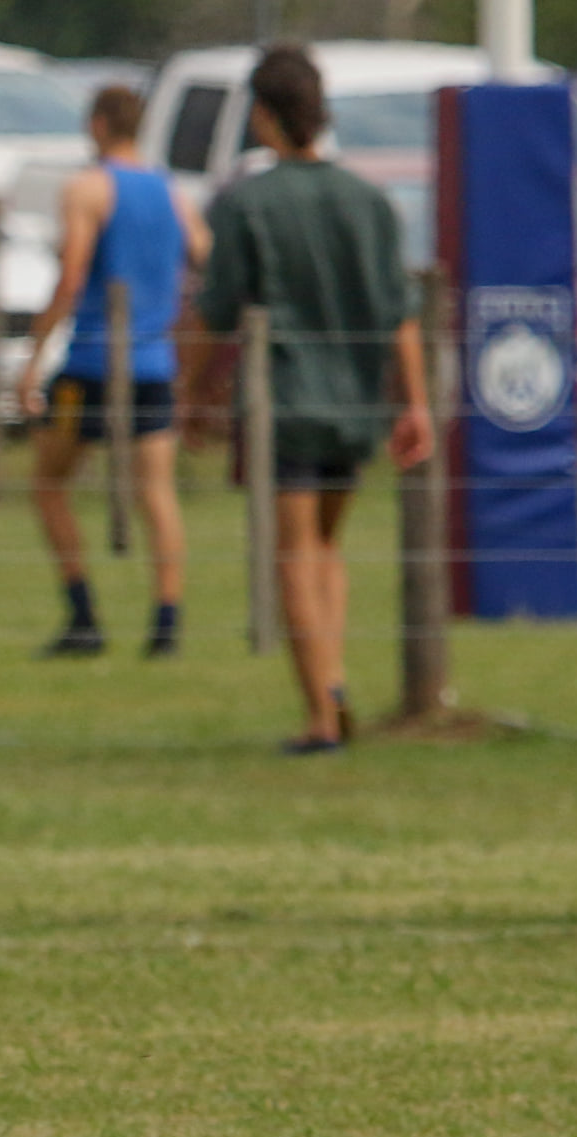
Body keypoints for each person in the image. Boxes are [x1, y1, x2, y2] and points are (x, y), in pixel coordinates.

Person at [187, 44, 433, 752]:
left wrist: (193, 394)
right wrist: (413, 403)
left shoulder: (249, 201)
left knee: (292, 552)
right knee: (327, 544)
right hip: (356, 402)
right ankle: (334, 674)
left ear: (264, 116)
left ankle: (324, 706)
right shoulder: (369, 200)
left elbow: (216, 309)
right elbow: (400, 312)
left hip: (286, 401)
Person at [17, 85, 209, 659]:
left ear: (98, 123)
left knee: (49, 485)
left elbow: (73, 275)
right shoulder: (172, 193)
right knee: (157, 491)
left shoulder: (87, 188)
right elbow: (203, 258)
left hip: (91, 363)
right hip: (153, 361)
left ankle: (83, 616)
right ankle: (166, 622)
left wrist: (33, 355)